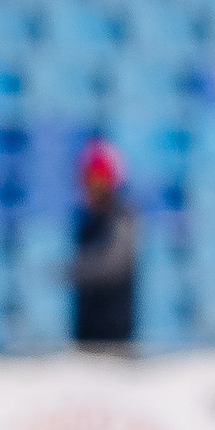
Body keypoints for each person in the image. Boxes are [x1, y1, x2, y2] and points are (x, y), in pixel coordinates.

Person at [70, 137, 138, 352]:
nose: (90, 186)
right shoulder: (87, 221)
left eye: (97, 179)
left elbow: (113, 264)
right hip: (87, 334)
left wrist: (75, 270)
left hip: (114, 336)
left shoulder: (122, 218)